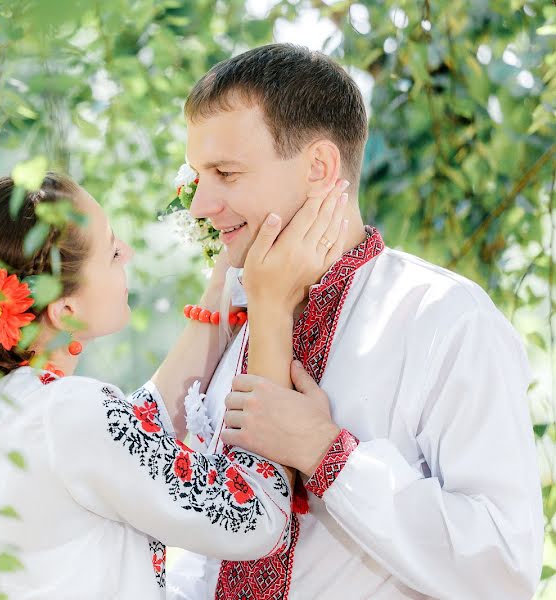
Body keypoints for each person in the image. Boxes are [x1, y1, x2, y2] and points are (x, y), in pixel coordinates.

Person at [165, 43, 544, 600]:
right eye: (200, 175)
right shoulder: (234, 326)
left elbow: (505, 569)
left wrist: (328, 454)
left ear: (319, 167)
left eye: (226, 173)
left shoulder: (443, 318)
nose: (200, 205)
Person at [0, 173, 349, 599]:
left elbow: (122, 445)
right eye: (111, 252)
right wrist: (271, 308)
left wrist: (223, 290)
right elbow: (254, 520)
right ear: (66, 311)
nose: (128, 252)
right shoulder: (67, 416)